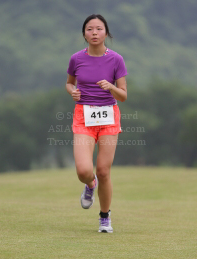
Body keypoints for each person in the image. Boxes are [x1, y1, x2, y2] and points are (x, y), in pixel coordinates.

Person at [66, 14, 128, 233]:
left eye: (99, 29)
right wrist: (73, 92)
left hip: (109, 117)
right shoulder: (76, 58)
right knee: (84, 171)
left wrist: (110, 87)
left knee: (103, 171)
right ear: (84, 33)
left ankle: (104, 217)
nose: (94, 33)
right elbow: (69, 83)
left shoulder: (116, 59)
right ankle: (89, 186)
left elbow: (123, 95)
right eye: (90, 29)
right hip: (83, 116)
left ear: (106, 33)